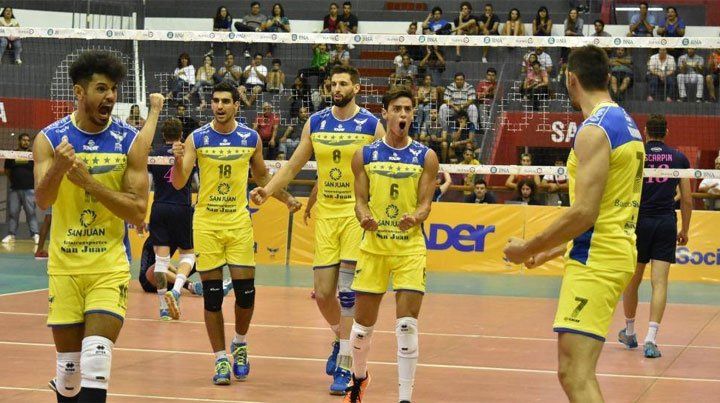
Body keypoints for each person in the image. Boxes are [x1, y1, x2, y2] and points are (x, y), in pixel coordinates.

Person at [504, 45, 645, 402]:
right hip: (611, 250)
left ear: (571, 79)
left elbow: (585, 213)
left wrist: (526, 247)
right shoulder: (626, 123)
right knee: (575, 371)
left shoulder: (594, 130)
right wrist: (550, 252)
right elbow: (607, 210)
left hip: (596, 260)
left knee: (574, 374)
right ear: (608, 78)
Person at [33, 50, 163, 402]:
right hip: (65, 267)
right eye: (101, 89)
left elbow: (138, 212)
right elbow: (43, 200)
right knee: (69, 374)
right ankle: (65, 382)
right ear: (79, 92)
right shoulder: (50, 140)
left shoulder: (130, 141)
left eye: (113, 89)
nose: (110, 97)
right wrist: (59, 168)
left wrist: (90, 183)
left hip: (108, 267)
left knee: (96, 361)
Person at [250, 65, 385, 395]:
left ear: (356, 87)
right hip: (327, 216)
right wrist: (268, 191)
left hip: (355, 216)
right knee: (324, 295)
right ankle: (341, 338)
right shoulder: (316, 122)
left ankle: (346, 364)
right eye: (333, 84)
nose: (337, 88)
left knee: (348, 293)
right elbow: (293, 165)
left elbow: (383, 169)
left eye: (343, 83)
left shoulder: (371, 125)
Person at [171, 81, 300, 386]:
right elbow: (179, 182)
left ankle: (239, 343)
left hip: (238, 222)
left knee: (246, 294)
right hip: (207, 223)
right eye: (215, 101)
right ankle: (219, 359)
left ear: (236, 105)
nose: (219, 106)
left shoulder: (250, 138)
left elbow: (262, 176)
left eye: (225, 101)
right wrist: (177, 159)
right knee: (213, 297)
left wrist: (285, 198)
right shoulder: (197, 138)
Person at [341, 85, 437, 403]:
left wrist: (416, 217)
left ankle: (405, 398)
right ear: (385, 113)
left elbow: (425, 204)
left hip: (409, 248)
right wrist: (364, 216)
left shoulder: (426, 156)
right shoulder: (365, 155)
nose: (403, 114)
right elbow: (359, 201)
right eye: (397, 109)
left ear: (413, 114)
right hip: (374, 247)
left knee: (406, 327)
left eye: (408, 109)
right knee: (360, 330)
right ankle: (359, 379)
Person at [619, 114, 692, 359]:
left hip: (638, 222)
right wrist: (685, 230)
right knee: (659, 283)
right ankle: (651, 339)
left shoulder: (636, 154)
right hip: (665, 223)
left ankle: (630, 332)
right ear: (666, 132)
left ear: (646, 131)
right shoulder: (679, 158)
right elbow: (687, 199)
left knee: (633, 279)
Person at [147, 118, 197, 321]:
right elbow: (197, 183)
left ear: (163, 134)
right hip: (181, 207)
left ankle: (163, 309)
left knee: (161, 261)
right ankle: (176, 289)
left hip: (159, 206)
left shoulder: (154, 154)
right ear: (181, 134)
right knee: (188, 255)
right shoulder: (187, 152)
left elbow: (148, 184)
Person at [2, 133, 38, 244]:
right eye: (24, 140)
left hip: (30, 189)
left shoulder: (33, 155)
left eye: (28, 140)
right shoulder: (12, 154)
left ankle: (35, 234)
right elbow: (7, 171)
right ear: (19, 141)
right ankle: (11, 235)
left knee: (31, 213)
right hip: (15, 189)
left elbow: (37, 170)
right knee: (13, 213)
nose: (26, 142)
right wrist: (14, 181)